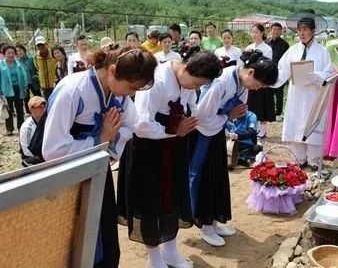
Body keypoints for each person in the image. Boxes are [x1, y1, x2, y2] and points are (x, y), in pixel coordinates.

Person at [42, 47, 157, 267]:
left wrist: (109, 141)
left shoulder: (119, 95)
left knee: (104, 236)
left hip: (98, 173)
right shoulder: (73, 90)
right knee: (73, 243)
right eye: (132, 87)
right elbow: (52, 149)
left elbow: (130, 125)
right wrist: (101, 139)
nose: (132, 94)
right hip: (68, 180)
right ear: (112, 70)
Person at [118, 50, 221, 268]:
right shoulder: (157, 80)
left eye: (199, 86)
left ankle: (171, 251)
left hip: (173, 149)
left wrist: (190, 120)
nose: (194, 89)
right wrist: (175, 130)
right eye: (195, 83)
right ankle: (154, 259)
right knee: (150, 203)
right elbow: (141, 125)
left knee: (173, 198)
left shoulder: (188, 82)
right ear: (185, 68)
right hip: (148, 151)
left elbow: (191, 107)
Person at [190, 50, 278, 247]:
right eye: (259, 84)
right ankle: (205, 226)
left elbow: (232, 112)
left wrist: (231, 117)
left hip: (217, 133)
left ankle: (214, 221)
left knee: (218, 178)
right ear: (251, 73)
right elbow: (202, 117)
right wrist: (228, 116)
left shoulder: (241, 83)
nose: (257, 89)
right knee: (204, 179)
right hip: (202, 135)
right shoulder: (222, 82)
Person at [276, 11, 332, 171]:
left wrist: (315, 76)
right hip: (296, 94)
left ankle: (314, 160)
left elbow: (328, 72)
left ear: (313, 31)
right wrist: (269, 79)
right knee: (295, 122)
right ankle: (299, 158)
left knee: (313, 123)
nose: (301, 33)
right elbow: (282, 70)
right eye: (299, 30)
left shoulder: (322, 51)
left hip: (313, 94)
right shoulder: (293, 50)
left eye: (305, 29)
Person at [245, 23, 274, 138]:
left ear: (262, 33)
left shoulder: (267, 49)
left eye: (256, 32)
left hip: (261, 79)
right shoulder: (249, 47)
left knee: (261, 104)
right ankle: (251, 127)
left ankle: (262, 130)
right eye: (252, 32)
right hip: (250, 79)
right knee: (251, 104)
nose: (254, 34)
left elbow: (267, 64)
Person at [0, 45, 28, 135]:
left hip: (18, 89)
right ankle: (9, 129)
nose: (11, 55)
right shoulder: (1, 65)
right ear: (4, 54)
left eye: (12, 53)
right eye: (9, 53)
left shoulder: (18, 64)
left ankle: (21, 127)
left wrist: (25, 86)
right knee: (9, 109)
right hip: (6, 90)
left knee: (20, 108)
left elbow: (24, 76)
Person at [266, 22, 289, 121]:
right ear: (271, 30)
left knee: (279, 94)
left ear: (281, 31)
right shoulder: (266, 42)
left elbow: (288, 60)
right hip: (268, 72)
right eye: (274, 29)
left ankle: (279, 113)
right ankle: (270, 113)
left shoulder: (284, 44)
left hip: (280, 73)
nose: (275, 31)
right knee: (269, 93)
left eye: (277, 30)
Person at [20, 96, 46, 166]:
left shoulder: (48, 119)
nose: (43, 109)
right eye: (39, 107)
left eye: (44, 106)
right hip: (32, 156)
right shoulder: (27, 127)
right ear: (31, 110)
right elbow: (27, 151)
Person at [16, 44, 41, 114]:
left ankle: (40, 108)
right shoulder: (17, 62)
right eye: (17, 51)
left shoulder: (31, 59)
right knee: (26, 98)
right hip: (24, 83)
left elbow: (36, 68)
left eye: (20, 50)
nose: (19, 52)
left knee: (37, 95)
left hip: (33, 81)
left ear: (24, 50)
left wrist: (36, 77)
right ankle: (29, 112)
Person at [33, 36, 56, 100]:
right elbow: (37, 68)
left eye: (42, 45)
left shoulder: (53, 54)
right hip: (44, 85)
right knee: (47, 101)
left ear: (46, 44)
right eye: (38, 45)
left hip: (54, 84)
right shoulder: (36, 57)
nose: (40, 47)